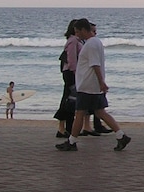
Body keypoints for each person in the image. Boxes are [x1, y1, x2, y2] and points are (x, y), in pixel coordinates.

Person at [56, 19, 131, 152]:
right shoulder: (96, 42)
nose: (76, 34)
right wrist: (100, 82)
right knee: (100, 112)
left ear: (84, 30)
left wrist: (101, 82)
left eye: (78, 31)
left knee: (79, 113)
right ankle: (121, 135)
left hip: (87, 85)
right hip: (92, 85)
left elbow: (95, 64)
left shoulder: (90, 44)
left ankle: (72, 142)